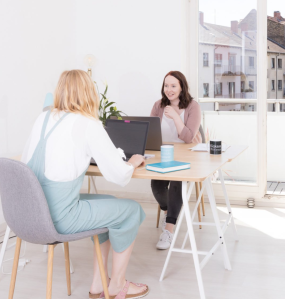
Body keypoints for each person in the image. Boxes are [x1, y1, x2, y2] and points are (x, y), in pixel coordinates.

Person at [21, 70, 149, 299]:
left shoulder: (42, 118)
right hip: (59, 217)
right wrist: (131, 162)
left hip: (31, 213)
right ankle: (118, 285)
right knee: (131, 210)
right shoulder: (86, 123)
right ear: (89, 92)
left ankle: (98, 283)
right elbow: (118, 175)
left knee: (109, 204)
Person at [150, 70, 201, 250]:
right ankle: (169, 210)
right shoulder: (158, 106)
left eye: (173, 86)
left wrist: (176, 117)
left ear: (181, 87)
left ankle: (169, 228)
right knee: (156, 186)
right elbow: (151, 134)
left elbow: (188, 138)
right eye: (166, 85)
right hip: (164, 154)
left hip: (186, 155)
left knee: (177, 183)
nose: (169, 90)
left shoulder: (192, 106)